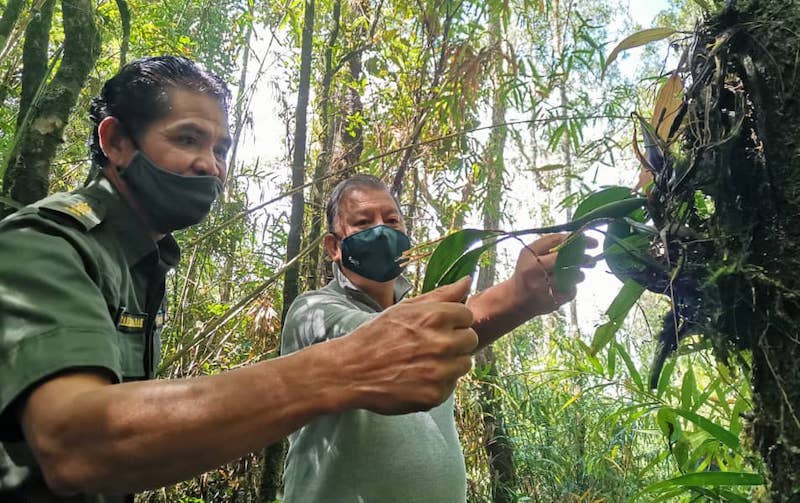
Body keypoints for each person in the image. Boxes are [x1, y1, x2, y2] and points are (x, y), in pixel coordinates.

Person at [0, 56, 480, 502]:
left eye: (220, 148)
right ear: (117, 142)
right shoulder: (47, 242)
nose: (210, 164)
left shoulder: (144, 263)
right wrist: (339, 371)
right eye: (188, 139)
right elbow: (73, 444)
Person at [280, 175, 591, 502]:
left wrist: (527, 297)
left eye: (391, 220)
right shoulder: (313, 311)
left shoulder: (431, 325)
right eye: (363, 222)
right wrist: (517, 295)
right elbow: (391, 344)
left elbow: (427, 332)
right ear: (334, 247)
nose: (382, 230)